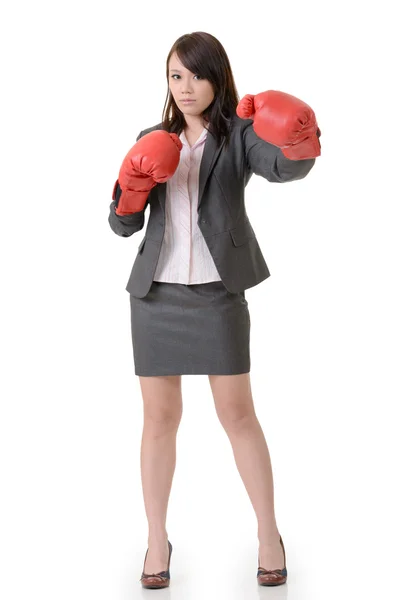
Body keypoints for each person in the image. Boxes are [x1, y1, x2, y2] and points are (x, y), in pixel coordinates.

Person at [108, 31, 321, 589]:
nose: (184, 87)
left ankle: (269, 533)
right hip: (155, 296)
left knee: (238, 417)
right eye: (175, 76)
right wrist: (130, 191)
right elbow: (122, 224)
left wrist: (297, 136)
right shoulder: (151, 137)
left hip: (219, 294)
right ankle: (157, 539)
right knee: (158, 421)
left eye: (196, 76)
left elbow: (287, 168)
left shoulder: (240, 136)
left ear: (217, 78)